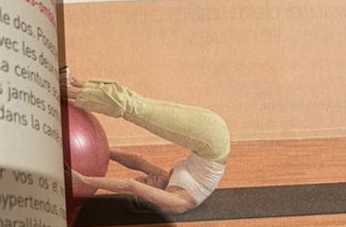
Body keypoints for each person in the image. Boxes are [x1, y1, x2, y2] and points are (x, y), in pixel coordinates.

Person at [60, 69, 231, 214]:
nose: (147, 177)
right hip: (210, 141)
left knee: (133, 102)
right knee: (132, 107)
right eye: (145, 182)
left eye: (143, 180)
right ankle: (65, 89)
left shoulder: (168, 184)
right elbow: (132, 182)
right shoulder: (178, 202)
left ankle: (72, 84)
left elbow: (137, 167)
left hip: (212, 138)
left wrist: (104, 153)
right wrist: (83, 180)